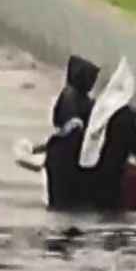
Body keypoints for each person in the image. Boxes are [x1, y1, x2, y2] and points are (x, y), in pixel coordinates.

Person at [43, 55, 100, 209]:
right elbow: (73, 127)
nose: (92, 84)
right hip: (66, 159)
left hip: (64, 157)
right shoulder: (71, 97)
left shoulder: (77, 96)